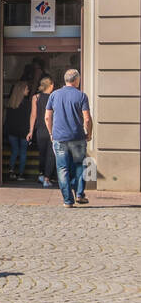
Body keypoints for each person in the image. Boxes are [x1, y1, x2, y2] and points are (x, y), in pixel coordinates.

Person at [46, 69, 93, 207]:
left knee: (62, 169)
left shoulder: (54, 95)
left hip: (59, 138)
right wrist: (89, 134)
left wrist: (51, 134)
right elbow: (87, 119)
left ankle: (68, 201)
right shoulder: (81, 96)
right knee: (80, 166)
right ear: (77, 80)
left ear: (66, 80)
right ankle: (79, 194)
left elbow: (47, 117)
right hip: (77, 137)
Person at [4, 65, 35, 182]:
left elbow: (7, 120)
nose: (28, 90)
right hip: (23, 132)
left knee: (14, 151)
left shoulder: (11, 104)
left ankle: (11, 171)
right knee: (23, 152)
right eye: (27, 89)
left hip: (12, 131)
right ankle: (21, 174)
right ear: (22, 90)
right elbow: (30, 117)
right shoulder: (27, 104)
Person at [27, 76, 56, 187]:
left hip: (40, 130)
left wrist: (30, 131)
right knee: (51, 155)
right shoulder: (54, 97)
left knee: (42, 154)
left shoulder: (36, 97)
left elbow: (33, 115)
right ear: (51, 85)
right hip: (52, 129)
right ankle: (47, 179)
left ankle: (42, 174)